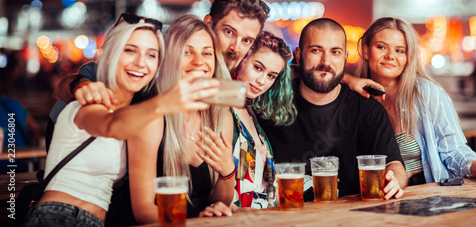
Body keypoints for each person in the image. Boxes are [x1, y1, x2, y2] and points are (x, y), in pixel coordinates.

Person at [24, 14, 219, 227]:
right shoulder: (89, 101)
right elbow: (113, 126)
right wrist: (167, 102)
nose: (140, 63)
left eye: (151, 55)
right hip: (60, 217)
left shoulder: (137, 112)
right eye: (130, 50)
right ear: (109, 55)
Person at [47, 0, 269, 142]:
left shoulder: (232, 75)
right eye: (229, 32)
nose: (236, 47)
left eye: (246, 40)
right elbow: (82, 79)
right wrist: (82, 87)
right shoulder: (164, 49)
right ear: (209, 23)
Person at [260, 18, 407, 201]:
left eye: (335, 52)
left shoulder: (367, 110)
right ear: (298, 55)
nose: (325, 62)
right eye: (315, 50)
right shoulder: (270, 101)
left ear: (345, 58)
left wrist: (394, 181)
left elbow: (395, 164)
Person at [127, 15, 235, 222]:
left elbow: (220, 203)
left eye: (207, 53)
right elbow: (142, 210)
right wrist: (194, 222)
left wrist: (227, 172)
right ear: (169, 58)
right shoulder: (152, 115)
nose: (199, 62)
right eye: (187, 52)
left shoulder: (221, 118)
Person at [356, 17, 476, 185]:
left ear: (408, 57)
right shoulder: (356, 99)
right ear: (366, 51)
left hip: (428, 195)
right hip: (375, 197)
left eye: (400, 51)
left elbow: (454, 150)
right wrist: (348, 80)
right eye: (381, 47)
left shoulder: (427, 93)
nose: (390, 56)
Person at [200, 32, 297, 217]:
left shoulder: (250, 110)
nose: (262, 81)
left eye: (271, 76)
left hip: (269, 217)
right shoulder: (222, 109)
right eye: (258, 68)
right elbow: (213, 190)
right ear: (242, 59)